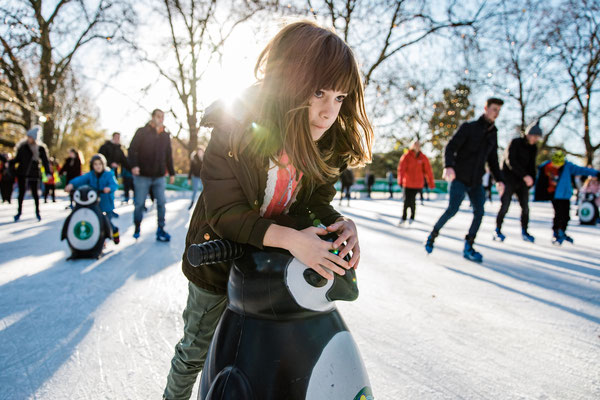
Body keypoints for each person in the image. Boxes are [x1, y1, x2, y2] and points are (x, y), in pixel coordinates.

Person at [163, 21, 373, 400]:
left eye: (340, 98)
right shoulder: (235, 128)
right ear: (288, 82)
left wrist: (340, 224)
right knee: (197, 348)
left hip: (269, 271)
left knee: (267, 351)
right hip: (216, 258)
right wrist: (291, 238)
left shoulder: (325, 142)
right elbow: (224, 211)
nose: (328, 112)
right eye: (319, 92)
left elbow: (314, 201)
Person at [424, 98, 505, 262]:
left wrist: (499, 179)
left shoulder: (493, 134)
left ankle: (469, 245)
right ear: (486, 108)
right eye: (494, 109)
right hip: (460, 177)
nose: (496, 113)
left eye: (498, 110)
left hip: (476, 181)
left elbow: (493, 160)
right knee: (452, 209)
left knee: (480, 212)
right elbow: (451, 146)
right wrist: (449, 166)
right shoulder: (470, 128)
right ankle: (433, 235)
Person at [128, 109, 175, 241]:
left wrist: (171, 172)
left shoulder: (165, 135)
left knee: (161, 203)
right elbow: (132, 150)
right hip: (142, 175)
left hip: (159, 176)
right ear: (153, 117)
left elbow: (168, 155)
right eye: (159, 116)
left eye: (163, 117)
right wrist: (134, 165)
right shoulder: (142, 132)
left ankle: (161, 229)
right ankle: (137, 225)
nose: (161, 119)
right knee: (139, 203)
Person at [534, 150, 599, 245]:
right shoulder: (547, 167)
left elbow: (581, 170)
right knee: (558, 214)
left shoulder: (567, 166)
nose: (557, 166)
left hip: (565, 195)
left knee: (566, 215)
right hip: (555, 195)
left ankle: (562, 231)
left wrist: (596, 173)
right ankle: (556, 232)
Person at [494, 121, 542, 242]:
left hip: (522, 182)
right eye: (535, 137)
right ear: (528, 134)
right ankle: (498, 229)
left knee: (525, 207)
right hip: (509, 178)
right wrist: (524, 175)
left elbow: (532, 165)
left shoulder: (533, 148)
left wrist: (532, 179)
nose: (536, 139)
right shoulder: (515, 143)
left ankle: (525, 231)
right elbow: (510, 161)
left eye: (538, 137)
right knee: (505, 205)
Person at [65, 154, 120, 244]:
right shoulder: (91, 175)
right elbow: (80, 180)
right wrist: (71, 184)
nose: (98, 166)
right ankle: (102, 240)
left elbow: (114, 184)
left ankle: (114, 230)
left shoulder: (108, 174)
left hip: (107, 203)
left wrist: (109, 188)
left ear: (103, 164)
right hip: (95, 204)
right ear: (92, 165)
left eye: (100, 164)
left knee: (107, 222)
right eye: (95, 164)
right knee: (97, 221)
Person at [11, 126, 50, 222]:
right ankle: (19, 212)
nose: (29, 139)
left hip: (34, 173)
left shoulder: (40, 148)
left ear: (34, 138)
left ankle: (37, 212)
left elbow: (45, 161)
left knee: (35, 194)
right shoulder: (23, 147)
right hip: (22, 174)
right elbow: (17, 159)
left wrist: (48, 172)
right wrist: (10, 163)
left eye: (30, 137)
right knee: (21, 194)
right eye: (28, 137)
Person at [397, 140, 434, 226]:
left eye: (418, 145)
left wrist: (431, 182)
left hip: (417, 184)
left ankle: (412, 217)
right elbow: (401, 169)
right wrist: (400, 180)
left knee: (412, 201)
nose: (417, 146)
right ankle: (404, 217)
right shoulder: (406, 156)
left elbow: (428, 171)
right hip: (407, 183)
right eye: (415, 145)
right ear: (412, 146)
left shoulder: (423, 157)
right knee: (406, 201)